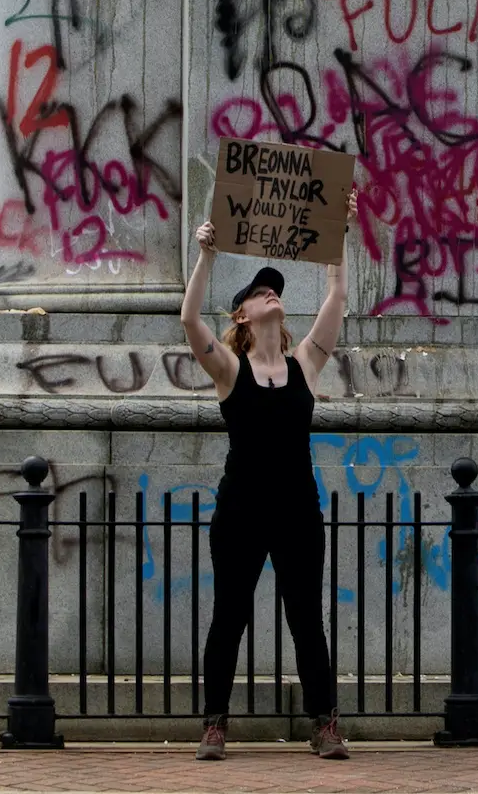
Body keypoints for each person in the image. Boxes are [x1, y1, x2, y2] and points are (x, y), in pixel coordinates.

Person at [180, 212, 355, 762]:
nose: (271, 296)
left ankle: (324, 726)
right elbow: (188, 320)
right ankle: (215, 725)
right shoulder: (230, 369)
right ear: (244, 314)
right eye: (260, 293)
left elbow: (337, 297)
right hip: (242, 508)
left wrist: (337, 238)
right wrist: (206, 256)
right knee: (230, 614)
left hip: (297, 506)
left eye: (274, 291)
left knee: (306, 617)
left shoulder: (307, 362)